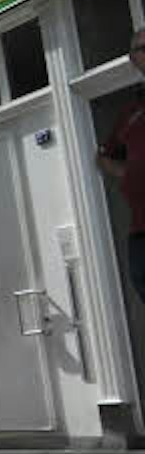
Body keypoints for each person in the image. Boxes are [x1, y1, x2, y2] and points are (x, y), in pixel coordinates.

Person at [98, 32, 145, 302]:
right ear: (132, 58)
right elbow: (104, 156)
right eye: (142, 48)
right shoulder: (131, 111)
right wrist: (129, 173)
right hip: (140, 229)